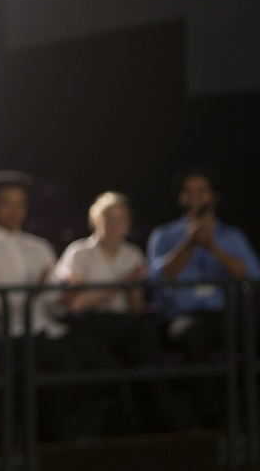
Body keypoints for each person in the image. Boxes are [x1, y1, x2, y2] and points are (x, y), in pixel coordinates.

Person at [0, 173, 116, 441]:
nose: (15, 211)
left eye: (20, 204)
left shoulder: (40, 247)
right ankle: (59, 438)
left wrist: (65, 297)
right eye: (7, 203)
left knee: (99, 357)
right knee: (64, 363)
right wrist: (33, 293)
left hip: (48, 329)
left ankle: (95, 433)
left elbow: (53, 306)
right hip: (11, 335)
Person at [147, 168, 260, 426]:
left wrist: (213, 247)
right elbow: (159, 279)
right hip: (182, 317)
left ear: (214, 196)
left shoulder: (231, 236)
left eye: (202, 190)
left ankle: (250, 416)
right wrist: (190, 241)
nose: (195, 197)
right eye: (189, 191)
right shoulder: (164, 236)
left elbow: (251, 276)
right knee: (193, 336)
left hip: (224, 313)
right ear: (181, 198)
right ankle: (216, 421)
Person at [56, 191, 173, 432]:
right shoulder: (79, 253)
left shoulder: (133, 255)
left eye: (121, 219)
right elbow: (76, 304)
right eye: (108, 218)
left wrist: (132, 287)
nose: (114, 225)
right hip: (88, 323)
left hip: (123, 321)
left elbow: (136, 308)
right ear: (95, 220)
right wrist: (121, 284)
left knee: (146, 337)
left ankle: (157, 417)